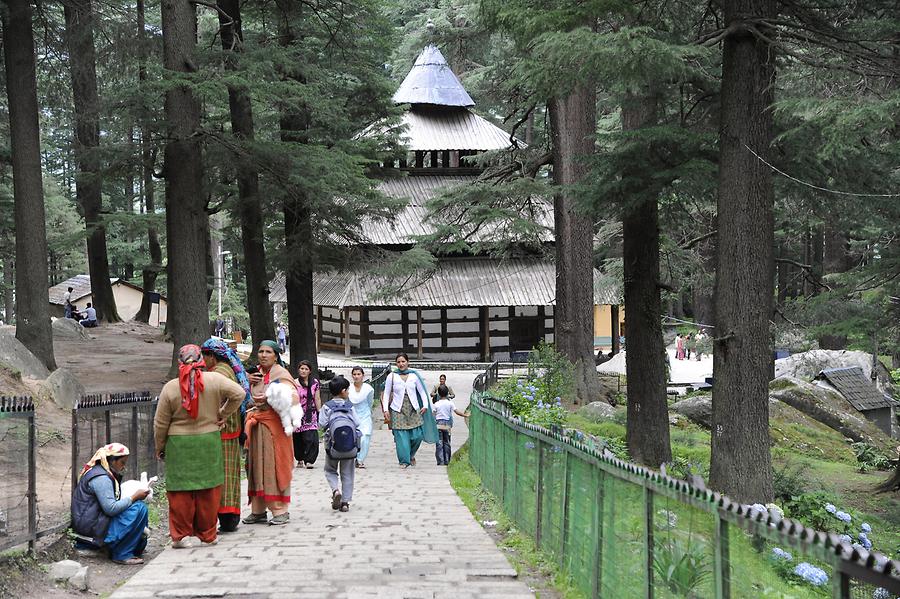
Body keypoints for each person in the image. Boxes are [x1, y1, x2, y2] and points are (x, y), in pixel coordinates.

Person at [155, 344, 245, 547]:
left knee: (180, 491)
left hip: (179, 445)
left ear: (180, 362)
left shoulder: (170, 387)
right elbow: (239, 393)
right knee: (208, 489)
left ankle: (180, 536)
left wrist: (159, 446)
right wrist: (222, 414)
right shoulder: (215, 380)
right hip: (208, 441)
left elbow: (160, 423)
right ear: (201, 361)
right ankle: (208, 535)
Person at [244, 341, 300, 525]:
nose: (263, 355)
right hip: (256, 426)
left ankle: (280, 510)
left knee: (272, 467)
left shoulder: (281, 374)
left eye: (268, 352)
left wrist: (270, 397)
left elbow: (293, 397)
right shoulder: (255, 373)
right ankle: (258, 510)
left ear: (276, 356)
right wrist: (246, 380)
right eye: (260, 351)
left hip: (274, 428)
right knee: (255, 467)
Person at [200, 338, 252, 533]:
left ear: (211, 357)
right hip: (231, 430)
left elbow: (235, 396)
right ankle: (230, 517)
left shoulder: (219, 373)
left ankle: (225, 516)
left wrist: (221, 414)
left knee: (219, 475)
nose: (203, 361)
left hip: (222, 431)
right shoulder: (227, 369)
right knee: (230, 474)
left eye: (204, 357)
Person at [71, 443, 150, 565]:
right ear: (112, 461)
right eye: (122, 463)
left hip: (95, 521)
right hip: (90, 528)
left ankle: (125, 549)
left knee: (138, 513)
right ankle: (121, 554)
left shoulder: (101, 472)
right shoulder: (101, 478)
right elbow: (110, 509)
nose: (123, 467)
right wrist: (134, 497)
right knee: (139, 509)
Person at [381, 353, 438, 469]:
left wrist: (425, 405)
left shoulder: (414, 376)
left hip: (413, 408)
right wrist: (386, 409)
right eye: (398, 362)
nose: (401, 364)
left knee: (417, 435)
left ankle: (410, 454)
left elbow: (422, 392)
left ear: (408, 362)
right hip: (397, 409)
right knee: (401, 436)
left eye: (403, 361)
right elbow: (386, 393)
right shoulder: (392, 376)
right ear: (396, 364)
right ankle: (404, 461)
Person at [320, 376, 360, 512]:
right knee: (348, 473)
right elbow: (357, 423)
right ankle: (345, 503)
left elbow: (322, 424)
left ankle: (336, 490)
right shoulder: (349, 406)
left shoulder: (327, 406)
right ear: (343, 391)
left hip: (332, 446)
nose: (348, 392)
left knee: (330, 470)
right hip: (349, 446)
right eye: (347, 390)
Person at [292, 359, 321, 469]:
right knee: (298, 438)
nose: (303, 371)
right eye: (302, 368)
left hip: (310, 413)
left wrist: (320, 412)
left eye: (306, 369)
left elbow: (317, 398)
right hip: (298, 413)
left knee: (311, 438)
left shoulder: (315, 383)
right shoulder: (294, 383)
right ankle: (299, 458)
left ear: (310, 371)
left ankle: (309, 460)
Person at [432, 385, 467, 466]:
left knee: (439, 443)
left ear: (439, 395)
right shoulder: (450, 403)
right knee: (447, 443)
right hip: (447, 425)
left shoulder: (436, 404)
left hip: (438, 425)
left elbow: (433, 415)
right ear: (447, 393)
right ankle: (447, 460)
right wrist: (465, 415)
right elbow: (457, 412)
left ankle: (440, 461)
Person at [348, 366, 374, 468]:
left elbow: (370, 401)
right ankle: (353, 457)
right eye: (354, 374)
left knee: (364, 437)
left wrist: (367, 411)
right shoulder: (348, 388)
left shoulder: (368, 389)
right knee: (353, 438)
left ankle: (360, 459)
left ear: (363, 375)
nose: (356, 376)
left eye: (358, 374)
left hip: (365, 415)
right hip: (352, 415)